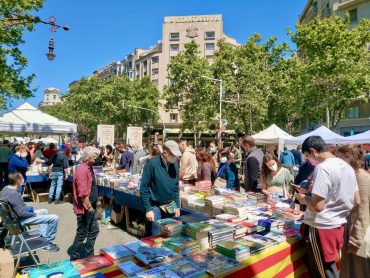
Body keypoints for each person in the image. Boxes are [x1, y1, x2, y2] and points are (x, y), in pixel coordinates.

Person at [296, 136, 360, 278]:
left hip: (321, 227)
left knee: (323, 271)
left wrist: (304, 199)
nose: (308, 160)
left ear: (313, 151)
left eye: (307, 156)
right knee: (326, 267)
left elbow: (318, 206)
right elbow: (357, 201)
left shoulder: (323, 168)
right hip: (338, 225)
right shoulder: (347, 167)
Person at [0, 172, 59, 251]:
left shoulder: (6, 188)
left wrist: (31, 211)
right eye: (22, 178)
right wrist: (34, 214)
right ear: (18, 181)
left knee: (44, 211)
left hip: (14, 217)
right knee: (54, 218)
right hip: (20, 219)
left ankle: (43, 237)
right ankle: (47, 242)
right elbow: (21, 213)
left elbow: (18, 209)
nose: (23, 180)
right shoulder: (14, 194)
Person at [337, 145, 370, 277]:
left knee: (360, 270)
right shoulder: (354, 174)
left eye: (340, 159)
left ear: (348, 157)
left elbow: (363, 209)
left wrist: (356, 239)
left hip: (360, 230)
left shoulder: (361, 176)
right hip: (353, 226)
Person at [140, 140, 181, 236]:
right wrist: (148, 209)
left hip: (170, 205)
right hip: (155, 205)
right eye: (173, 155)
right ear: (165, 152)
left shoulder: (174, 164)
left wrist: (177, 206)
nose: (175, 157)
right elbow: (144, 187)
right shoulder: (152, 164)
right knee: (156, 235)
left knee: (170, 234)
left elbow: (176, 187)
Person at [68, 146, 100, 260]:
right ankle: (75, 256)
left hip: (89, 206)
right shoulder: (82, 169)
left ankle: (88, 253)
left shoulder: (88, 167)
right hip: (85, 208)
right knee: (82, 232)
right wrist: (90, 207)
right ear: (89, 157)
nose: (96, 159)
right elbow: (82, 194)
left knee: (93, 230)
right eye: (95, 157)